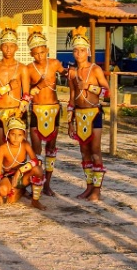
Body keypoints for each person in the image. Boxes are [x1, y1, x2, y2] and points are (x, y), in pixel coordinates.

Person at [67, 26, 109, 201]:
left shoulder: (96, 70)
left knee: (95, 151)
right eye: (76, 50)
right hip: (79, 115)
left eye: (82, 50)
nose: (79, 53)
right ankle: (89, 187)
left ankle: (97, 190)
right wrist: (69, 122)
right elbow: (71, 98)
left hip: (94, 114)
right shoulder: (72, 72)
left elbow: (108, 92)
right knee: (84, 152)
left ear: (88, 52)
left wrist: (89, 87)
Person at [26, 25, 65, 196]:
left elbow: (67, 76)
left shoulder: (55, 64)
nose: (39, 56)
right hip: (36, 110)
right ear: (31, 54)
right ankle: (37, 181)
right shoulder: (28, 68)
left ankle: (47, 184)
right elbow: (26, 92)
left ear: (47, 50)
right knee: (36, 150)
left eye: (42, 52)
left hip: (54, 109)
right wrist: (38, 86)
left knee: (51, 148)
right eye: (36, 53)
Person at [0, 17, 30, 152]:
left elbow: (27, 96)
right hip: (0, 113)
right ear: (0, 47)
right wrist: (8, 87)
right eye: (5, 45)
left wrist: (19, 111)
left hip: (18, 112)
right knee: (2, 150)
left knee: (19, 151)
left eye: (11, 45)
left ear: (16, 47)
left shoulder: (23, 68)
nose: (8, 49)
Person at [0, 117, 45, 209]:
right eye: (13, 134)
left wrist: (20, 171)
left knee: (38, 169)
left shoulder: (25, 144)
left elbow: (35, 160)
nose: (16, 138)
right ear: (8, 135)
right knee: (4, 193)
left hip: (24, 175)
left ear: (24, 135)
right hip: (9, 177)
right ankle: (21, 190)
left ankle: (35, 201)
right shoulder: (3, 148)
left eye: (20, 135)